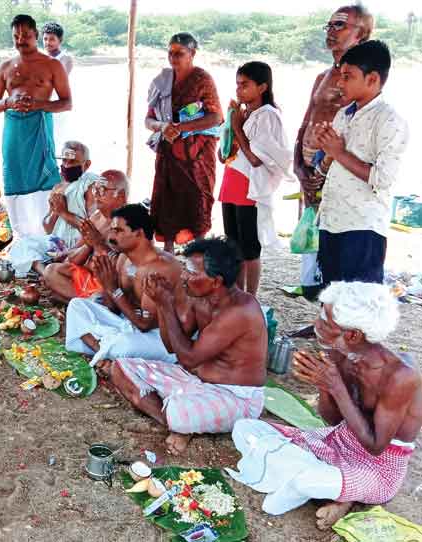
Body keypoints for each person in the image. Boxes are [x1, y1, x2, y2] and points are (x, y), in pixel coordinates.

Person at [227, 282, 422, 530]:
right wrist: (325, 384)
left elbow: (375, 446)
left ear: (352, 335)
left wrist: (336, 386)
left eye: (324, 320)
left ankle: (333, 489)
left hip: (379, 465)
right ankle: (337, 490)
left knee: (309, 479)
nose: (316, 324)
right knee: (245, 429)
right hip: (338, 440)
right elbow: (332, 420)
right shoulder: (340, 353)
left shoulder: (401, 375)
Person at [110, 237, 267, 454]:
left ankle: (180, 420)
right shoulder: (199, 297)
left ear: (216, 281)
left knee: (178, 410)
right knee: (120, 368)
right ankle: (176, 423)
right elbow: (172, 346)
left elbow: (188, 357)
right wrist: (163, 304)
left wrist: (166, 304)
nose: (183, 276)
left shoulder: (240, 310)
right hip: (194, 380)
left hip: (235, 397)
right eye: (185, 268)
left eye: (192, 273)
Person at [294, 5, 373, 299]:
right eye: (328, 25)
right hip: (311, 176)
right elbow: (305, 122)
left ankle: (336, 326)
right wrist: (299, 168)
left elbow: (353, 135)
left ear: (361, 34)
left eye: (339, 25)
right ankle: (322, 319)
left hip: (335, 177)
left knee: (336, 246)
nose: (331, 31)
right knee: (314, 248)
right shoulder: (323, 76)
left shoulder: (363, 83)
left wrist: (321, 172)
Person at [314, 40, 408, 286]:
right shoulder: (343, 114)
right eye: (340, 76)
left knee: (358, 307)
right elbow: (324, 168)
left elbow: (383, 179)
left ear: (372, 79)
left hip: (362, 227)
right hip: (332, 220)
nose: (339, 83)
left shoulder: (389, 120)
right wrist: (328, 154)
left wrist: (339, 152)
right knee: (331, 299)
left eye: (348, 76)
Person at [65, 204, 182, 369]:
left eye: (118, 231)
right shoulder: (123, 259)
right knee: (77, 306)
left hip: (159, 337)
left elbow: (144, 325)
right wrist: (106, 283)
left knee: (124, 344)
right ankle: (103, 352)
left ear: (139, 233)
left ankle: (105, 351)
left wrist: (113, 288)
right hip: (128, 322)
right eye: (111, 230)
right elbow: (113, 308)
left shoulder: (159, 268)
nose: (111, 236)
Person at [0, 14, 72, 239]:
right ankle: (23, 238)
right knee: (14, 175)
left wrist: (39, 104)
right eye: (16, 36)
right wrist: (8, 103)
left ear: (35, 35)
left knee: (45, 178)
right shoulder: (5, 66)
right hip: (13, 130)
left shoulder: (52, 65)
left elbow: (66, 102)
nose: (21, 40)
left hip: (40, 127)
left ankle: (49, 239)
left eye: (26, 35)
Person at [218, 61, 291, 295]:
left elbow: (257, 158)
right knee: (232, 244)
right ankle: (237, 293)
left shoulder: (267, 116)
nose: (239, 90)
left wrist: (237, 128)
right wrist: (231, 126)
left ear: (262, 87)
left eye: (245, 85)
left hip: (248, 186)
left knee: (249, 247)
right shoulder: (242, 114)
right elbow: (225, 153)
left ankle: (251, 296)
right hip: (231, 181)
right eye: (237, 85)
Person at [145, 32, 222, 254]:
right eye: (170, 53)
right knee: (166, 202)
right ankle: (168, 254)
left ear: (192, 54)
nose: (173, 58)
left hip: (196, 156)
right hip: (168, 153)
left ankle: (199, 255)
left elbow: (215, 117)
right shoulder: (162, 81)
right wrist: (162, 127)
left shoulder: (202, 79)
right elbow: (148, 119)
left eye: (179, 53)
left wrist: (181, 128)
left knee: (197, 201)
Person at [5, 141, 100, 277]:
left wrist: (64, 213)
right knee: (21, 245)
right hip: (58, 242)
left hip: (80, 245)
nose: (66, 166)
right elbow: (48, 228)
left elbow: (94, 227)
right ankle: (45, 273)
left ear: (87, 164)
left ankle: (51, 270)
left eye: (72, 162)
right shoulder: (58, 187)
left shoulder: (90, 185)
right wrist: (55, 211)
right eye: (64, 161)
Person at [43, 170, 129, 302]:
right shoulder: (96, 217)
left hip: (113, 286)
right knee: (51, 271)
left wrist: (98, 243)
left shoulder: (130, 222)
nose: (96, 195)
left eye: (103, 190)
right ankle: (87, 302)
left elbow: (126, 270)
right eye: (95, 190)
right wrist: (87, 246)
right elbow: (74, 257)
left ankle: (79, 301)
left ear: (121, 196)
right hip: (89, 278)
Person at [42, 21, 73, 146]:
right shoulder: (40, 57)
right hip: (40, 105)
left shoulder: (65, 58)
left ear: (60, 40)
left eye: (52, 39)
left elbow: (57, 81)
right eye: (45, 39)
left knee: (56, 139)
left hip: (57, 104)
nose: (47, 42)